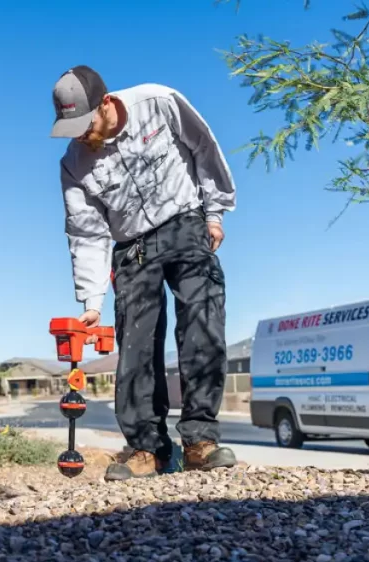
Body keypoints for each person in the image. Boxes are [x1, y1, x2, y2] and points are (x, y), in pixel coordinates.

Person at [51, 65, 238, 481]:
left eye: (86, 123)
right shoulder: (74, 165)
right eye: (72, 128)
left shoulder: (158, 101)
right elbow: (86, 232)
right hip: (131, 247)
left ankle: (200, 442)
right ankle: (147, 450)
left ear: (106, 103)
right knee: (135, 347)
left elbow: (204, 149)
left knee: (203, 322)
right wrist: (91, 300)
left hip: (186, 222)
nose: (81, 134)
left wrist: (215, 212)